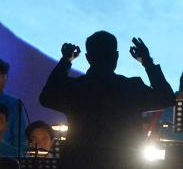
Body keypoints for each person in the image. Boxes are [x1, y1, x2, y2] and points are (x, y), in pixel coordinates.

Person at [39, 32, 175, 169]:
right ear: (116, 56)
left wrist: (65, 61)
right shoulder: (131, 88)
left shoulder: (74, 88)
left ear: (88, 57)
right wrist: (147, 61)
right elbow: (166, 98)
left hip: (78, 162)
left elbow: (46, 98)